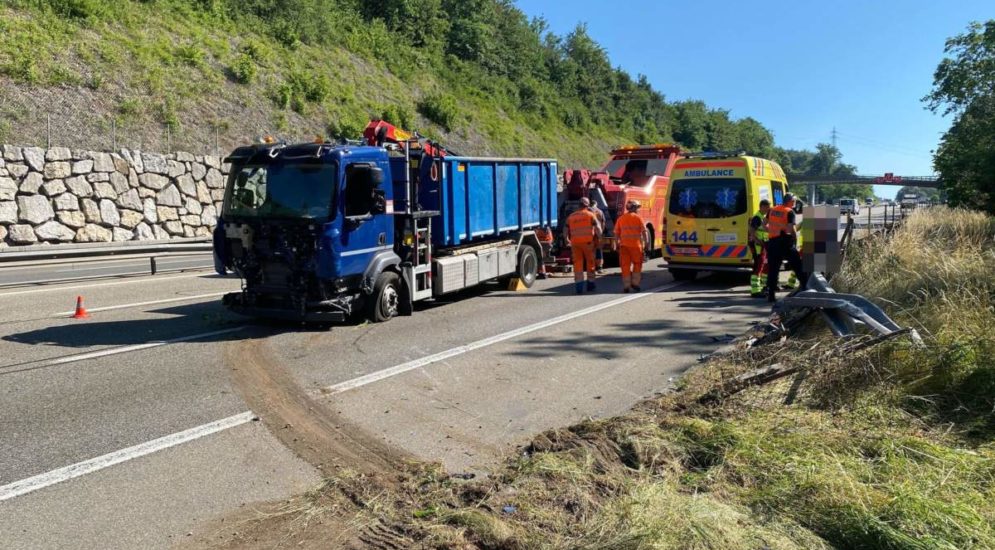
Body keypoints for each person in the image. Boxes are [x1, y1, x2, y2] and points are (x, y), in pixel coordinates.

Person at [765, 193, 808, 303]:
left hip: (773, 243)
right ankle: (806, 288)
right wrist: (795, 241)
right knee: (798, 266)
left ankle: (771, 295)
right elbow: (791, 230)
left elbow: (763, 223)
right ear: (789, 201)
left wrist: (769, 231)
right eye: (793, 201)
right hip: (785, 243)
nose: (794, 204)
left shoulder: (772, 210)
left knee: (773, 269)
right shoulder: (789, 212)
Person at [564, 198, 602, 294]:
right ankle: (590, 284)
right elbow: (597, 227)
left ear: (579, 205)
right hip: (588, 243)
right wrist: (600, 237)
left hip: (575, 244)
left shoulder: (571, 216)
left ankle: (579, 286)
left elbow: (565, 228)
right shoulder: (590, 215)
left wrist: (566, 239)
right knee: (590, 263)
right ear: (587, 206)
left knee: (578, 264)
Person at [614, 200, 649, 293]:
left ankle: (626, 285)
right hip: (636, 246)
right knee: (637, 264)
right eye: (637, 208)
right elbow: (644, 232)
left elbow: (616, 233)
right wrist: (647, 244)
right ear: (634, 208)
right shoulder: (638, 218)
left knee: (625, 266)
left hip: (624, 246)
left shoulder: (620, 219)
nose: (638, 210)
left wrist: (616, 244)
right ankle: (635, 283)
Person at [748, 199, 771, 298]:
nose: (768, 209)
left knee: (762, 265)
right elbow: (752, 230)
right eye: (767, 207)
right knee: (758, 266)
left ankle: (761, 287)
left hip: (762, 245)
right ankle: (755, 290)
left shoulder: (762, 217)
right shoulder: (757, 217)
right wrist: (756, 240)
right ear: (762, 206)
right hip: (757, 245)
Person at [587, 200, 607, 273]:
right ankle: (599, 268)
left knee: (590, 250)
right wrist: (601, 231)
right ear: (596, 204)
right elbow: (603, 222)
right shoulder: (600, 211)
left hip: (589, 233)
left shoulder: (587, 211)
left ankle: (591, 267)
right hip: (598, 233)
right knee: (598, 250)